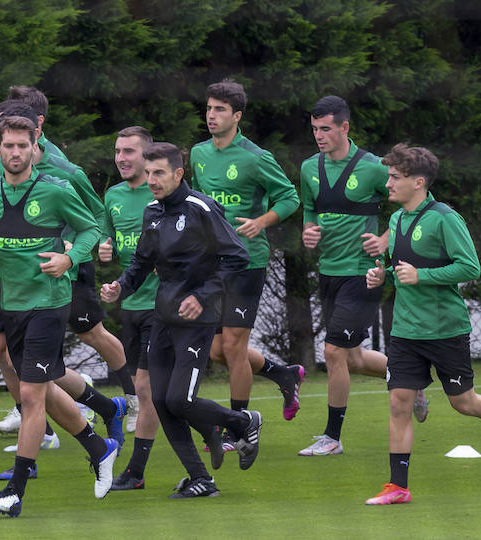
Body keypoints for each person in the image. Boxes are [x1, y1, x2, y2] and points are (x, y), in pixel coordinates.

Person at [0, 115, 120, 516]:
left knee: (30, 394)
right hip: (11, 305)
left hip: (49, 303)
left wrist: (69, 258)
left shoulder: (56, 189)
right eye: (7, 145)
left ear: (34, 147)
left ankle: (14, 492)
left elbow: (89, 231)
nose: (14, 152)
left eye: (22, 146)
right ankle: (101, 448)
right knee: (42, 389)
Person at [363, 144, 481, 505]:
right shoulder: (396, 220)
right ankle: (398, 486)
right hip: (406, 331)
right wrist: (381, 276)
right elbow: (399, 269)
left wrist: (422, 276)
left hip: (445, 329)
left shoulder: (445, 218)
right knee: (399, 402)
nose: (389, 183)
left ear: (419, 182)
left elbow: (470, 267)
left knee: (464, 402)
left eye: (396, 177)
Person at [100, 142, 264, 499]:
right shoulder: (152, 212)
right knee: (161, 401)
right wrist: (120, 287)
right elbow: (141, 263)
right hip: (163, 318)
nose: (152, 180)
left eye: (159, 173)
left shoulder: (201, 209)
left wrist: (202, 296)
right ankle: (201, 479)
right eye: (148, 173)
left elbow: (237, 257)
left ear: (178, 173)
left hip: (198, 320)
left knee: (181, 400)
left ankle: (243, 421)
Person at [0, 97, 134, 440]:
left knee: (89, 336)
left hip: (62, 273)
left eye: (0, 124)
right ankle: (40, 423)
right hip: (10, 278)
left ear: (35, 128)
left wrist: (69, 250)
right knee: (6, 354)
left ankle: (130, 397)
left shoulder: (64, 170)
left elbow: (94, 217)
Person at [298, 95, 425, 457]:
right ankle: (410, 379)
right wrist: (308, 229)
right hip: (328, 272)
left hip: (363, 274)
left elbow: (412, 202)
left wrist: (386, 239)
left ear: (344, 127)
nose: (319, 136)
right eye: (314, 129)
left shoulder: (372, 167)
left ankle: (332, 437)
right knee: (351, 358)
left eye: (326, 129)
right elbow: (309, 208)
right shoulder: (309, 168)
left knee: (333, 351)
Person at [188, 81, 305, 433]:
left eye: (220, 109)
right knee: (215, 349)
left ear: (237, 116)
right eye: (209, 108)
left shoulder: (255, 157)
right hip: (211, 263)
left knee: (235, 346)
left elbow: (289, 198)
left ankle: (239, 427)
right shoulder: (198, 154)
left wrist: (261, 222)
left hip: (247, 261)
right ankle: (280, 372)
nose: (211, 115)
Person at [100, 126, 162, 490]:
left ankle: (135, 471)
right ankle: (234, 424)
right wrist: (105, 249)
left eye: (130, 152)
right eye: (118, 151)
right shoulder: (113, 195)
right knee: (159, 393)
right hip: (132, 305)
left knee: (147, 389)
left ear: (148, 157)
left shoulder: (164, 198)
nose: (122, 158)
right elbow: (109, 238)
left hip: (165, 306)